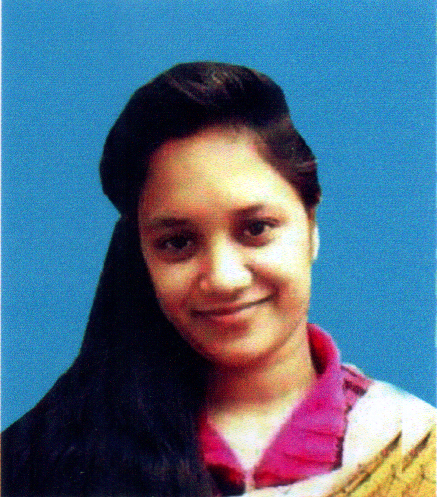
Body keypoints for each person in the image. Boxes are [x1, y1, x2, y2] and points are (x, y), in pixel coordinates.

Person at [1, 62, 435, 497]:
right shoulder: (47, 458)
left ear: (311, 223)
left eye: (256, 229)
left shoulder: (414, 448)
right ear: (142, 253)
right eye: (177, 242)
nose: (224, 279)